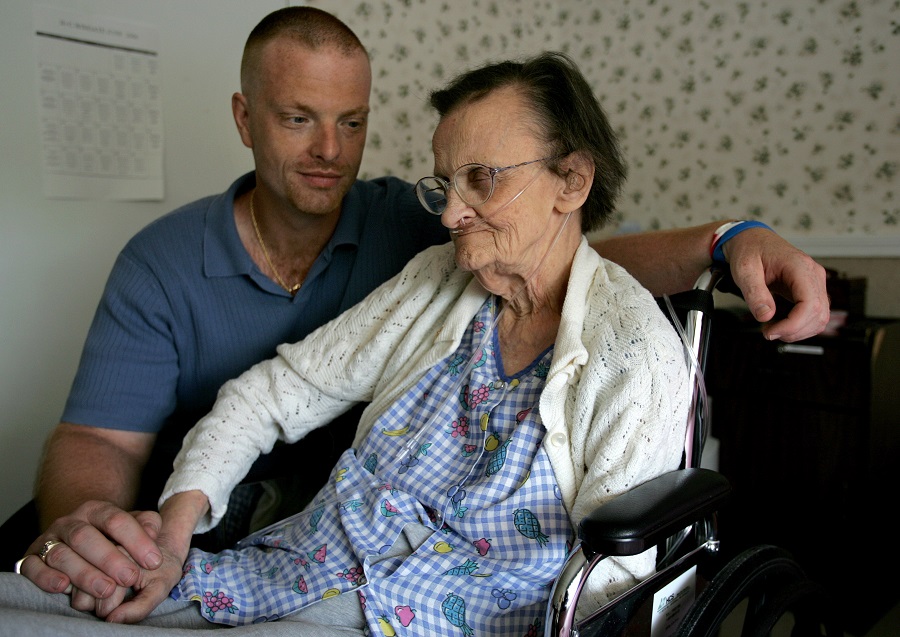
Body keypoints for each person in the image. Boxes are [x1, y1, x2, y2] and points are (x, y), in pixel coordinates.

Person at [7, 5, 829, 615]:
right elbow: (218, 406)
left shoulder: (611, 338)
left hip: (406, 606)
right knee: (35, 599)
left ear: (571, 181)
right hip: (285, 545)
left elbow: (583, 267)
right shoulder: (432, 271)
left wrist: (731, 237)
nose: (446, 210)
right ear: (245, 118)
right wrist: (161, 529)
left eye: (482, 178)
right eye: (299, 118)